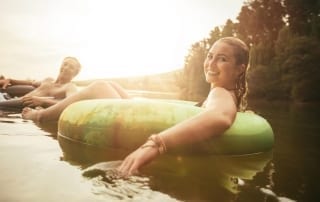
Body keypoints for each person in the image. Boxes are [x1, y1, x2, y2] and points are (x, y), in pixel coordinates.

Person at [22, 37, 249, 176]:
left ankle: (40, 116)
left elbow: (220, 117)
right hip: (148, 117)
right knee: (111, 85)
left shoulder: (221, 93)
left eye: (223, 59)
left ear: (240, 68)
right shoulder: (225, 92)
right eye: (210, 56)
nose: (211, 63)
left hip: (154, 133)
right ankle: (46, 108)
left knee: (99, 86)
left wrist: (155, 144)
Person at [0, 57, 81, 108]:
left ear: (75, 73)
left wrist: (43, 102)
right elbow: (31, 83)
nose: (66, 68)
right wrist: (11, 80)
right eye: (65, 64)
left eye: (71, 67)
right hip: (8, 99)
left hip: (15, 107)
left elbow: (71, 102)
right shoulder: (48, 80)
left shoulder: (70, 86)